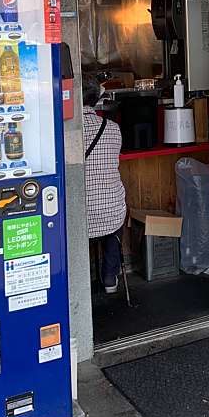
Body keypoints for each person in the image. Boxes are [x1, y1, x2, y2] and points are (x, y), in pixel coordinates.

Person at [82, 76, 126, 294]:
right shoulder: (113, 128)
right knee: (116, 218)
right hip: (111, 211)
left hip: (80, 217)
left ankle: (78, 277)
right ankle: (110, 277)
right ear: (96, 99)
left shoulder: (65, 132)